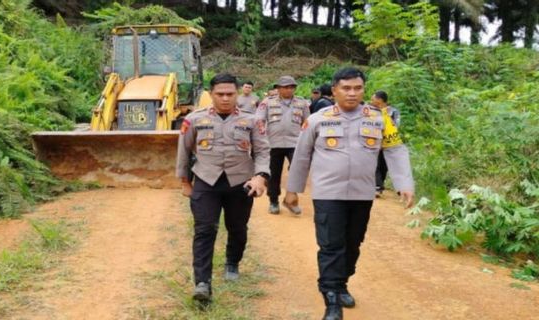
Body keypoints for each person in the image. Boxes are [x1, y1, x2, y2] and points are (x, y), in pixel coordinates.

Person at [284, 67, 415, 320]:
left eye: (357, 88)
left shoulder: (379, 118)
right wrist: (293, 190)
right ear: (334, 91)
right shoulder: (317, 119)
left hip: (362, 194)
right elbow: (301, 156)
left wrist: (404, 183)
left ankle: (341, 283)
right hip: (327, 193)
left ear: (364, 90)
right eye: (346, 88)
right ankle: (331, 298)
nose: (352, 93)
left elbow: (395, 150)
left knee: (353, 244)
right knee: (331, 245)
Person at [175, 73, 270, 302]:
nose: (226, 98)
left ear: (237, 93)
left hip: (240, 182)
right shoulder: (195, 119)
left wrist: (261, 176)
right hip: (206, 182)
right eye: (220, 94)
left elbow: (262, 151)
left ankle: (232, 262)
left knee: (237, 227)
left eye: (230, 94)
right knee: (204, 230)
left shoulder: (252, 120)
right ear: (211, 94)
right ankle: (202, 282)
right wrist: (185, 182)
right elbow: (184, 151)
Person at [256, 75, 310, 215]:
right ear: (278, 88)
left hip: (295, 143)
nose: (289, 90)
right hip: (273, 143)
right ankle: (273, 201)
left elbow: (308, 122)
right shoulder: (267, 102)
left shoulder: (302, 103)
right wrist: (261, 136)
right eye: (285, 87)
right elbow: (259, 120)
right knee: (274, 174)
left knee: (297, 170)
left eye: (292, 87)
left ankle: (290, 199)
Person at [370, 90, 401, 197]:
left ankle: (380, 185)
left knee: (384, 165)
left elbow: (396, 125)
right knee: (376, 164)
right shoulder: (372, 111)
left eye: (373, 99)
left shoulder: (393, 112)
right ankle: (377, 187)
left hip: (389, 141)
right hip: (375, 141)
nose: (371, 101)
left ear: (380, 100)